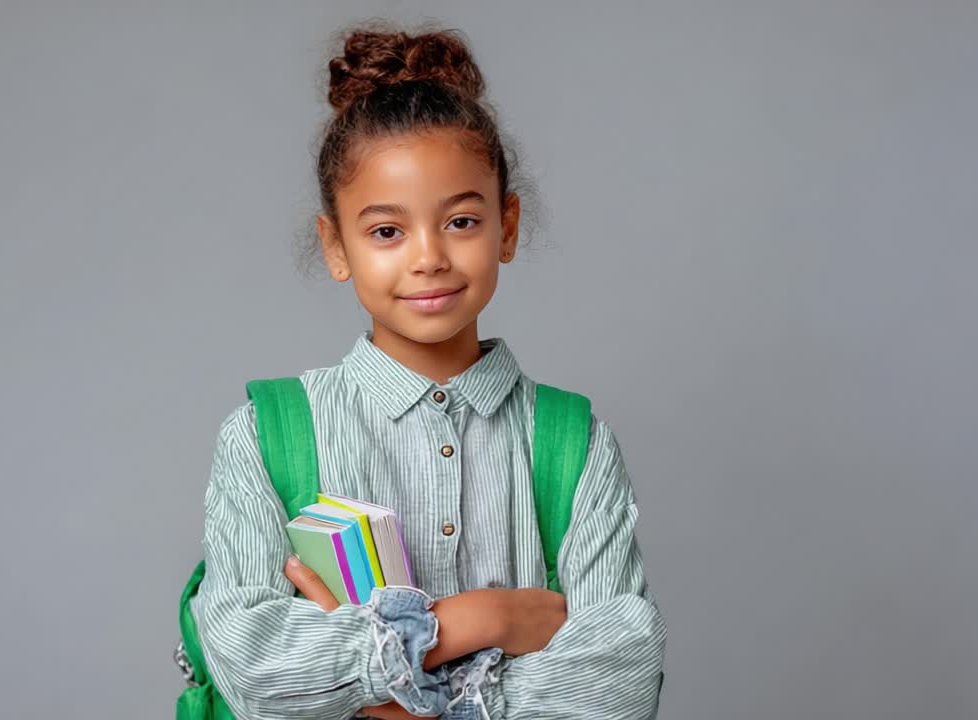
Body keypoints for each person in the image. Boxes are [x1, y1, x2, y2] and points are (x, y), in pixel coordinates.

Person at [190, 21, 666, 720]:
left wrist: (381, 692)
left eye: (461, 222)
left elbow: (619, 685)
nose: (428, 258)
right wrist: (482, 621)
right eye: (387, 231)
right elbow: (253, 668)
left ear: (506, 227)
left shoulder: (573, 442)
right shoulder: (267, 434)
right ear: (336, 245)